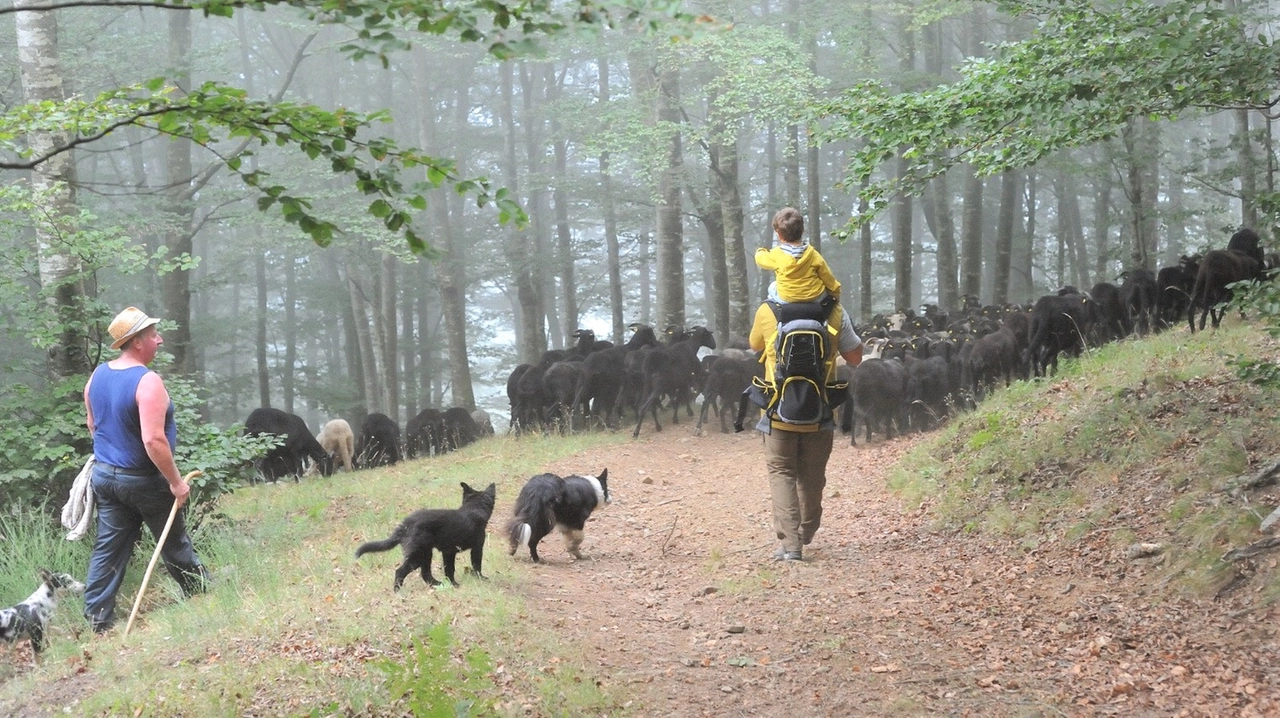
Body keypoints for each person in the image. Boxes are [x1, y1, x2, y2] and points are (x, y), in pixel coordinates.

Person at [82, 307, 208, 633]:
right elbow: (153, 440)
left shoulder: (97, 376)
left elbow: (93, 425)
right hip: (143, 481)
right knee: (174, 542)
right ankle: (201, 596)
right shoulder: (147, 381)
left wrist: (113, 457)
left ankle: (98, 620)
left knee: (108, 548)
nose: (159, 339)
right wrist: (177, 483)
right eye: (153, 335)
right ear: (137, 342)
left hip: (105, 477)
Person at [749, 211, 863, 562]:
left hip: (778, 409)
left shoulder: (768, 310)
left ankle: (790, 546)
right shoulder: (834, 312)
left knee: (782, 472)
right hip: (820, 410)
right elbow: (856, 358)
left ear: (777, 235)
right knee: (812, 475)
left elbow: (754, 346)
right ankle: (808, 529)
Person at [755, 207, 842, 303]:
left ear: (779, 234)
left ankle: (775, 311)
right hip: (814, 297)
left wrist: (761, 250)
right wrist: (835, 292)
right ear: (802, 230)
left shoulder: (776, 254)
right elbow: (827, 277)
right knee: (838, 311)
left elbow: (760, 258)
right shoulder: (812, 254)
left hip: (787, 298)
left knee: (772, 287)